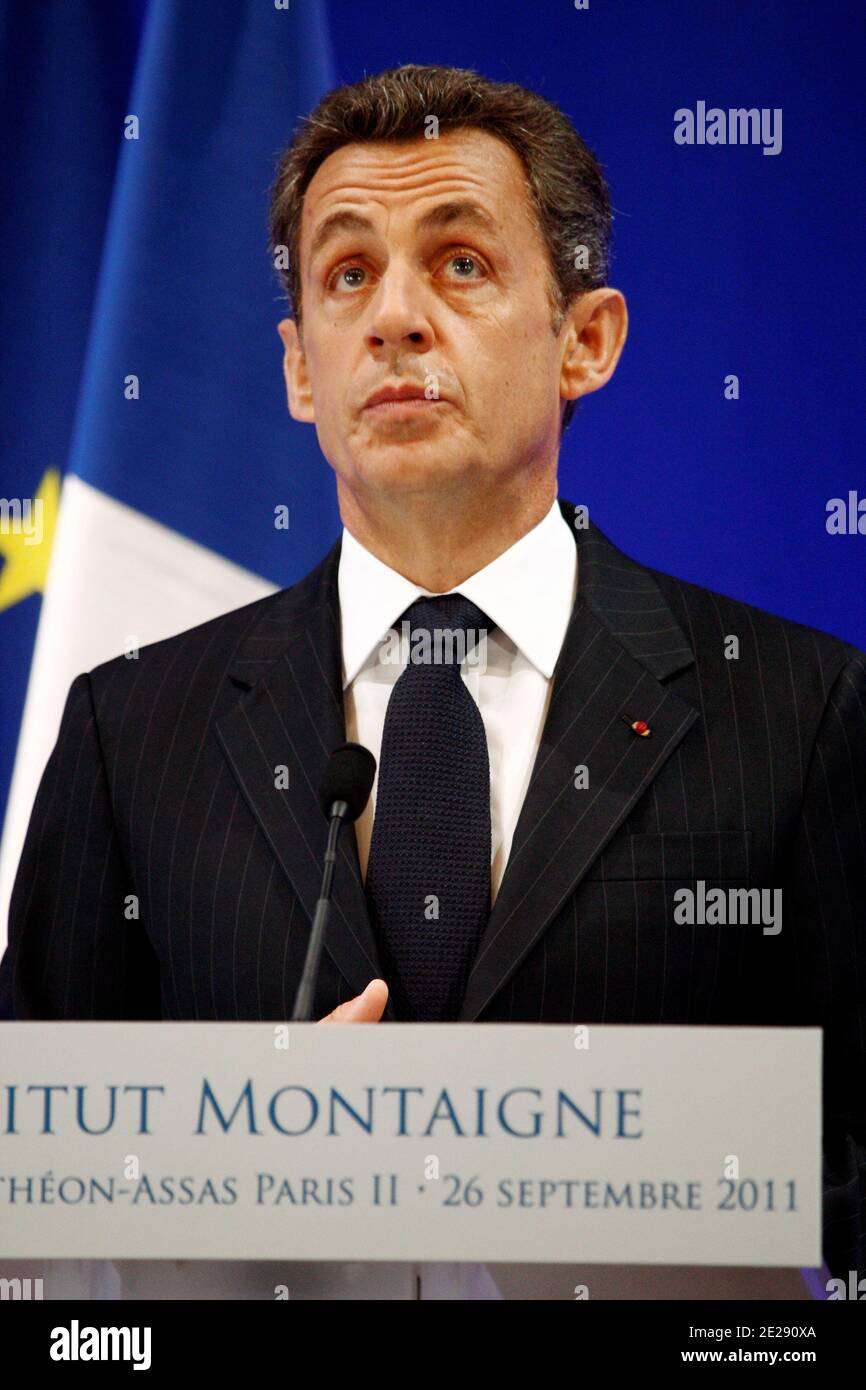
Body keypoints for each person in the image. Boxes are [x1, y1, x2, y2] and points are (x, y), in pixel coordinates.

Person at [1, 64, 864, 1293]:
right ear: (302, 370)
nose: (394, 317)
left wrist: (602, 1161)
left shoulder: (799, 710)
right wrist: (237, 1158)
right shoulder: (130, 729)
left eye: (459, 263)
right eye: (348, 274)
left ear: (585, 339)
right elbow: (29, 1207)